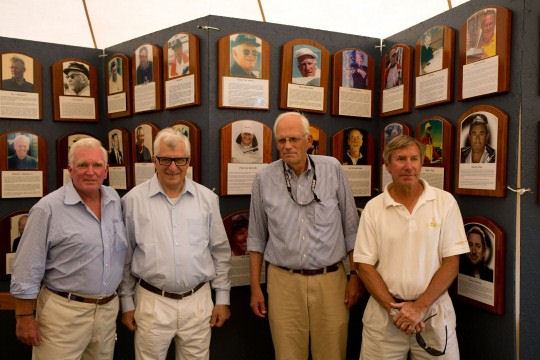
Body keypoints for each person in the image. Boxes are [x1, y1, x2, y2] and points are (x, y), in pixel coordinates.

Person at [248, 112, 362, 360]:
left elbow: (351, 228)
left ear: (309, 140)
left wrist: (355, 275)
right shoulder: (264, 178)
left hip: (330, 281)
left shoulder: (332, 168)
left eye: (294, 139)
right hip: (283, 283)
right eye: (281, 141)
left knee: (332, 353)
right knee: (287, 354)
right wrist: (256, 287)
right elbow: (256, 237)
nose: (287, 146)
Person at [119, 128, 231, 359]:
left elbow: (219, 251)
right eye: (165, 160)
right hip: (152, 303)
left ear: (188, 161)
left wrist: (222, 299)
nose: (172, 167)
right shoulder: (132, 201)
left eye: (179, 160)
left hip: (198, 302)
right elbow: (125, 256)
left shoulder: (207, 200)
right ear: (154, 161)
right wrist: (126, 302)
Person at [10, 137, 127, 359]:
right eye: (83, 165)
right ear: (70, 169)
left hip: (106, 311)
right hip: (63, 314)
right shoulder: (47, 209)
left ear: (106, 170)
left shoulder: (114, 200)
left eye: (97, 165)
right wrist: (24, 316)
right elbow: (26, 266)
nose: (90, 172)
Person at [354, 135, 469, 359]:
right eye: (400, 159)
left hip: (433, 314)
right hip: (386, 316)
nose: (408, 166)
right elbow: (364, 265)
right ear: (387, 165)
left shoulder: (445, 203)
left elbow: (451, 262)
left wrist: (419, 308)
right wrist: (397, 310)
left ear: (421, 163)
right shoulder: (374, 208)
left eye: (414, 159)